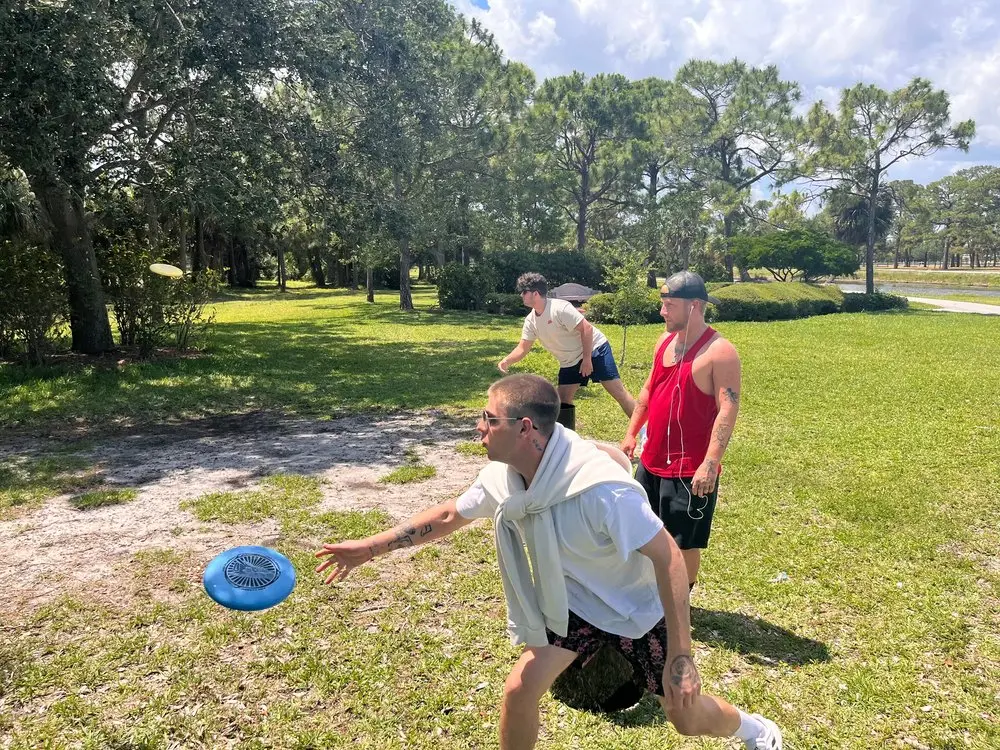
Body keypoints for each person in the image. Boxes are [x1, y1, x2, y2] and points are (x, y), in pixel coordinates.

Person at [316, 374, 780, 750]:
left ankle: (754, 730)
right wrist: (369, 548)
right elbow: (449, 514)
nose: (478, 427)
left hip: (639, 609)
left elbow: (670, 559)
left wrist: (682, 657)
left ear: (525, 429)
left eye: (488, 418)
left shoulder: (600, 490)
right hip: (574, 604)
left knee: (686, 716)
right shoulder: (506, 475)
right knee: (520, 690)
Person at [621, 270, 741, 591]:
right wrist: (632, 434)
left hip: (690, 470)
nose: (662, 311)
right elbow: (649, 389)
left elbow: (728, 408)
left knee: (685, 541)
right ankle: (651, 593)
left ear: (694, 306)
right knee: (645, 530)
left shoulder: (720, 352)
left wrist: (710, 463)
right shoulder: (664, 342)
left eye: (669, 305)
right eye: (663, 304)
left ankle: (681, 603)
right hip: (652, 460)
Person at [497, 272, 635, 425]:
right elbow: (523, 347)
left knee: (618, 392)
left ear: (535, 293)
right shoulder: (531, 320)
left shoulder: (559, 308)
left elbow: (587, 329)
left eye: (524, 292)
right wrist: (506, 361)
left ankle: (645, 432)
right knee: (563, 401)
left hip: (595, 350)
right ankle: (567, 440)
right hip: (570, 361)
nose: (521, 295)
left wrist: (588, 360)